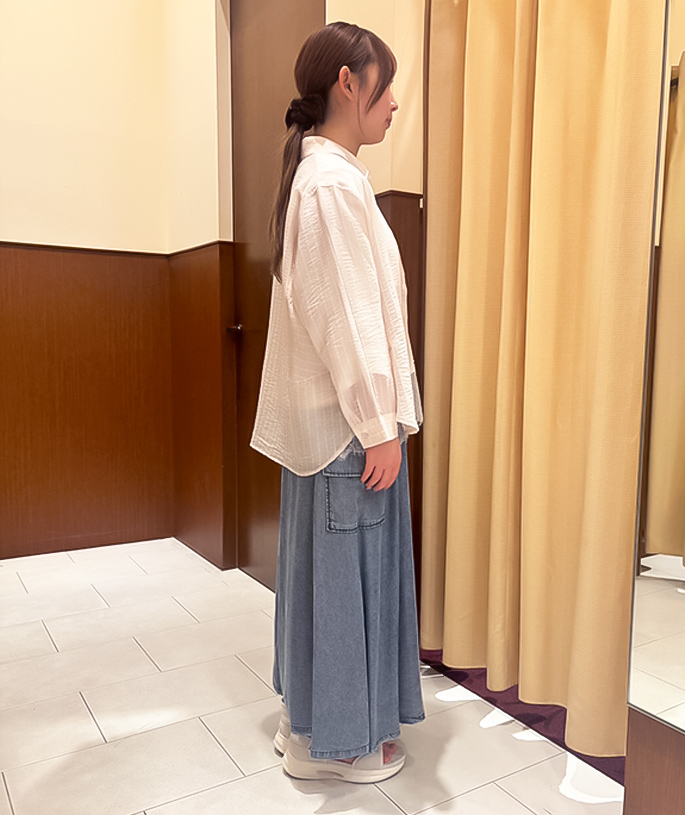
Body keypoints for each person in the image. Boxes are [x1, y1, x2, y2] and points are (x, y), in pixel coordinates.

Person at [251, 20, 425, 784]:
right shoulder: (329, 184)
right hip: (348, 431)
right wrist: (378, 424)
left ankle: (310, 723)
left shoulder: (324, 177)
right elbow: (347, 319)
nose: (395, 103)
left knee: (323, 576)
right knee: (347, 574)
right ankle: (342, 744)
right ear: (348, 85)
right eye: (386, 86)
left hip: (329, 428)